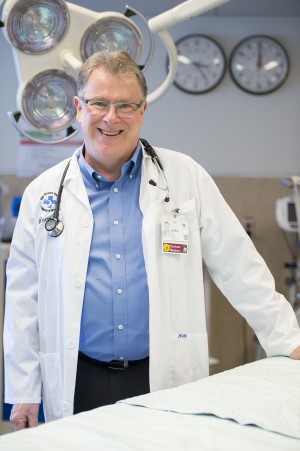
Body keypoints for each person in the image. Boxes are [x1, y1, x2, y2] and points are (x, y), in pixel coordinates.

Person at [3, 50, 300, 431]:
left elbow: (239, 265)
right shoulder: (44, 193)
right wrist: (24, 387)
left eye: (125, 105)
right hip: (78, 377)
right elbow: (23, 298)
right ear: (79, 107)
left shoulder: (185, 176)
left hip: (162, 373)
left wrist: (287, 339)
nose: (112, 117)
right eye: (100, 103)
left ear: (142, 111)